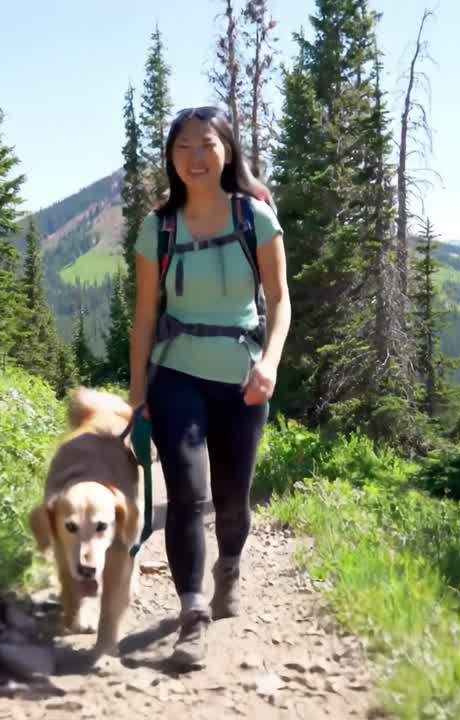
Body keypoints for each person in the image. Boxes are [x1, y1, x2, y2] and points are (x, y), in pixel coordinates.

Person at [128, 106, 290, 669]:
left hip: (244, 377)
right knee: (189, 497)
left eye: (206, 145)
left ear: (227, 151)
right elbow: (145, 314)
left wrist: (268, 363)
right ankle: (191, 616)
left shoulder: (255, 217)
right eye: (183, 147)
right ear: (171, 158)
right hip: (176, 375)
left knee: (231, 502)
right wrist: (136, 391)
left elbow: (279, 302)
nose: (195, 158)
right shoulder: (159, 226)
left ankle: (230, 569)